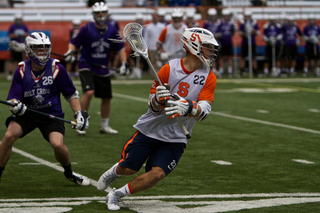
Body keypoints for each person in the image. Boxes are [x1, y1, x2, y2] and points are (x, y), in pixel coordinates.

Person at [96, 27, 219, 211]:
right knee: (129, 168)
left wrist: (189, 107)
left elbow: (205, 109)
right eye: (207, 47)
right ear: (193, 46)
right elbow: (152, 107)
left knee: (157, 174)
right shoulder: (169, 68)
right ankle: (115, 171)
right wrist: (158, 99)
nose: (210, 52)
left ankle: (117, 194)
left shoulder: (209, 76)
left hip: (176, 136)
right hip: (151, 129)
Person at [0, 32, 90, 186]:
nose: (42, 52)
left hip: (51, 114)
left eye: (45, 48)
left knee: (57, 144)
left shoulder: (57, 68)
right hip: (28, 113)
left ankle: (69, 173)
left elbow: (71, 94)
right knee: (9, 136)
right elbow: (13, 98)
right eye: (38, 48)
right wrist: (16, 106)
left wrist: (79, 114)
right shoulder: (21, 70)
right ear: (29, 50)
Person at [64, 2, 129, 135]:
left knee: (107, 97)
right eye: (98, 13)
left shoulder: (111, 29)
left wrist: (123, 63)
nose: (101, 15)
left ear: (106, 13)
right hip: (86, 65)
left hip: (102, 67)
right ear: (94, 14)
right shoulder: (86, 28)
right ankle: (81, 122)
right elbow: (74, 43)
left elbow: (120, 47)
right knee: (89, 92)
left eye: (103, 12)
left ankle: (104, 126)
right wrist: (70, 52)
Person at [215, 8, 236, 78]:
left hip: (229, 42)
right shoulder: (219, 22)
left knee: (229, 57)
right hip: (222, 42)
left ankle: (230, 71)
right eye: (225, 15)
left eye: (227, 15)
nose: (226, 17)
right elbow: (217, 32)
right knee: (221, 57)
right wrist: (218, 35)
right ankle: (221, 71)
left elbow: (233, 32)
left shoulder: (231, 23)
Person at [7, 13, 29, 81]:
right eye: (17, 19)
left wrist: (23, 34)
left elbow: (27, 34)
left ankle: (19, 74)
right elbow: (10, 35)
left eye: (20, 19)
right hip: (15, 45)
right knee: (12, 60)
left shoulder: (24, 26)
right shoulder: (12, 26)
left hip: (21, 46)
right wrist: (16, 35)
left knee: (20, 61)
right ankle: (10, 74)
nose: (19, 21)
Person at [238, 10, 260, 77]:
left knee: (253, 57)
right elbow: (239, 33)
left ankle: (255, 71)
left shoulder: (254, 22)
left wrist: (252, 30)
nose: (247, 18)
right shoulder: (243, 23)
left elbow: (258, 33)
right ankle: (241, 71)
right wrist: (245, 34)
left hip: (252, 42)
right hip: (245, 42)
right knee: (243, 57)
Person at [303, 13, 320, 77]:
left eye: (312, 19)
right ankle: (305, 70)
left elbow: (319, 35)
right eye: (310, 19)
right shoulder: (306, 27)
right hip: (308, 45)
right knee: (307, 58)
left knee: (316, 58)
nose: (312, 21)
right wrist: (309, 39)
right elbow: (304, 36)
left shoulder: (317, 27)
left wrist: (316, 38)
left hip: (315, 45)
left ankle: (316, 69)